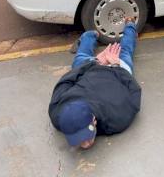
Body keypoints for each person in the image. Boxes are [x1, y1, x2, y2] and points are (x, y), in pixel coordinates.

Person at [49, 18, 141, 149]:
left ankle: (128, 26)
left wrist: (95, 62)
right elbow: (133, 89)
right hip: (113, 70)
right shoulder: (57, 114)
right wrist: (115, 64)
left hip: (100, 69)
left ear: (94, 120)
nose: (85, 145)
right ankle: (124, 27)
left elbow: (66, 80)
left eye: (86, 137)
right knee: (123, 52)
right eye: (78, 139)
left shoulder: (117, 119)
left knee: (122, 51)